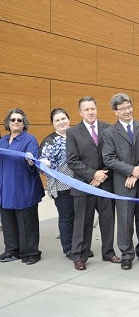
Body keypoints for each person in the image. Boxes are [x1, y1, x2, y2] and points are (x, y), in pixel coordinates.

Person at [102, 94, 139, 270]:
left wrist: (137, 172)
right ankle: (127, 254)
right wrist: (130, 170)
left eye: (129, 107)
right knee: (125, 220)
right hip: (123, 183)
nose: (127, 111)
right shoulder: (110, 133)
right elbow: (108, 159)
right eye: (122, 109)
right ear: (115, 112)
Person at [66, 97, 119, 270]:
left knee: (108, 220)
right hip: (83, 185)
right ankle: (79, 256)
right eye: (86, 109)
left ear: (96, 109)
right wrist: (92, 175)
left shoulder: (108, 129)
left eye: (92, 109)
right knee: (83, 222)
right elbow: (72, 161)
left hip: (105, 183)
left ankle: (109, 252)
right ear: (80, 112)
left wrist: (102, 174)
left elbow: (112, 155)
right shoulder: (73, 132)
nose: (90, 112)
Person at [0, 108, 44, 264]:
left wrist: (31, 161)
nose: (16, 122)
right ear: (8, 123)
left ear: (24, 123)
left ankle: (31, 252)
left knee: (27, 222)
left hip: (24, 188)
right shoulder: (3, 141)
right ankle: (12, 250)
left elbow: (34, 164)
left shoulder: (29, 140)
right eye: (13, 120)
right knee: (8, 221)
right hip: (5, 189)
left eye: (19, 120)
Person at [39, 108, 75, 259]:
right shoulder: (49, 141)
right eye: (57, 120)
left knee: (79, 217)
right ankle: (69, 248)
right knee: (66, 217)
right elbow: (42, 165)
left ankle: (79, 245)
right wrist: (45, 163)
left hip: (79, 184)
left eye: (63, 119)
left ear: (69, 119)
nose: (61, 122)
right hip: (61, 187)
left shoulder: (75, 136)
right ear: (53, 123)